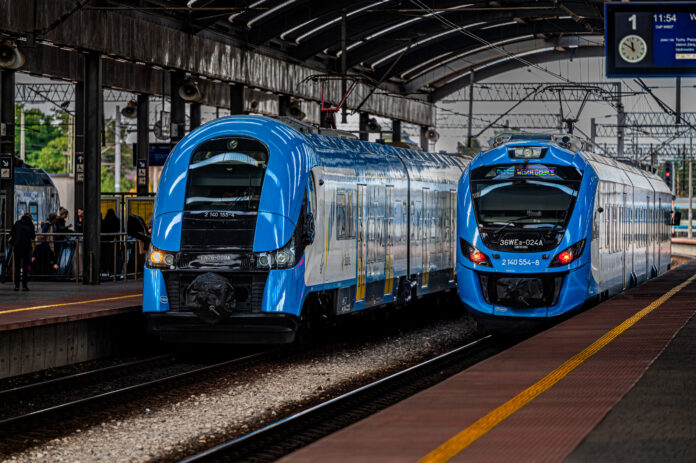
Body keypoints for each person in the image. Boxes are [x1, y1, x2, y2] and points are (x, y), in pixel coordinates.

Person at [9, 213, 35, 291]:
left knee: (17, 265)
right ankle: (24, 286)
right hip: (26, 247)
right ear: (30, 218)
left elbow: (11, 233)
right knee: (25, 266)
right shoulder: (30, 224)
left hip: (17, 247)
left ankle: (16, 286)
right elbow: (33, 236)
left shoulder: (17, 223)